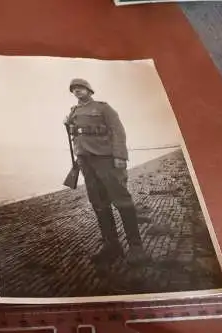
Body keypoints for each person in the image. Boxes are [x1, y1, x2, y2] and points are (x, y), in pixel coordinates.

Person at [64, 78, 149, 264]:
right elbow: (76, 135)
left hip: (106, 160)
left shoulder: (104, 108)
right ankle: (112, 246)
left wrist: (120, 156)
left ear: (89, 90)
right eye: (74, 89)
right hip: (86, 162)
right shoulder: (74, 111)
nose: (77, 91)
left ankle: (136, 248)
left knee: (121, 200)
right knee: (99, 203)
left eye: (81, 88)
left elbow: (118, 132)